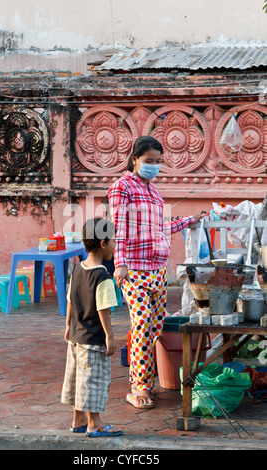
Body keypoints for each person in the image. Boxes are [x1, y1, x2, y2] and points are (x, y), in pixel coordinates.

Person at [108, 136, 204, 409]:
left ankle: (148, 377)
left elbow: (160, 228)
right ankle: (139, 387)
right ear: (135, 159)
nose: (154, 166)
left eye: (158, 161)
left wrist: (189, 220)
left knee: (154, 327)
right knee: (141, 325)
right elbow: (120, 228)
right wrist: (120, 263)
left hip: (158, 271)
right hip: (134, 270)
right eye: (149, 161)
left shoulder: (153, 191)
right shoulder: (122, 187)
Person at [61, 217, 124, 437]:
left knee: (77, 378)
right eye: (114, 241)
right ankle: (94, 424)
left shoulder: (77, 269)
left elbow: (70, 299)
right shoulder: (103, 276)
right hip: (94, 340)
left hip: (76, 337)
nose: (116, 246)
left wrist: (68, 325)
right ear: (103, 244)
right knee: (94, 381)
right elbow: (103, 310)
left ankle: (78, 420)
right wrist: (110, 337)